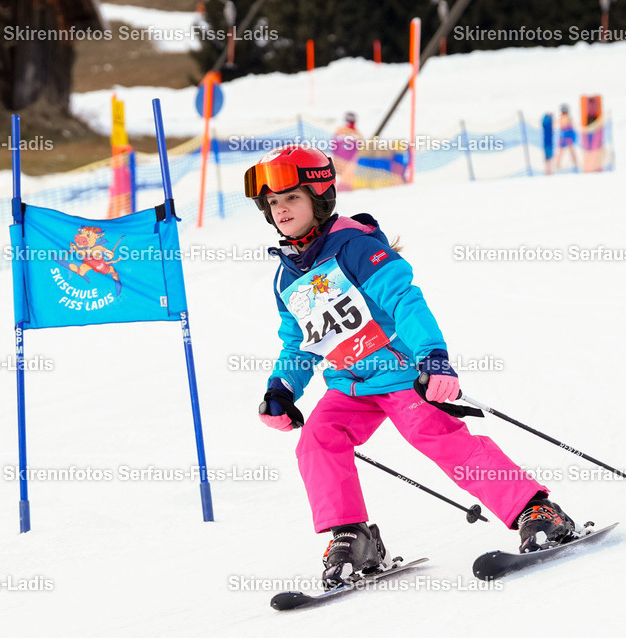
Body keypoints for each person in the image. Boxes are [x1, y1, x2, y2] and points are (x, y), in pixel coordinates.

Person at [244, 145, 579, 589]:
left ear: (319, 197)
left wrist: (433, 360)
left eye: (292, 198)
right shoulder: (287, 275)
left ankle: (534, 510)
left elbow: (406, 301)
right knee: (318, 439)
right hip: (351, 382)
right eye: (273, 203)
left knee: (436, 436)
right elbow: (299, 341)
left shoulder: (354, 247)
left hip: (401, 372)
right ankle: (352, 535)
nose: (281, 209)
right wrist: (281, 390)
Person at [555, 104, 579, 171]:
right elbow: (569, 125)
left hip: (564, 136)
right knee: (568, 151)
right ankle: (574, 163)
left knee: (564, 151)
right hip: (566, 136)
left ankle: (558, 164)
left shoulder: (562, 117)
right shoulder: (566, 117)